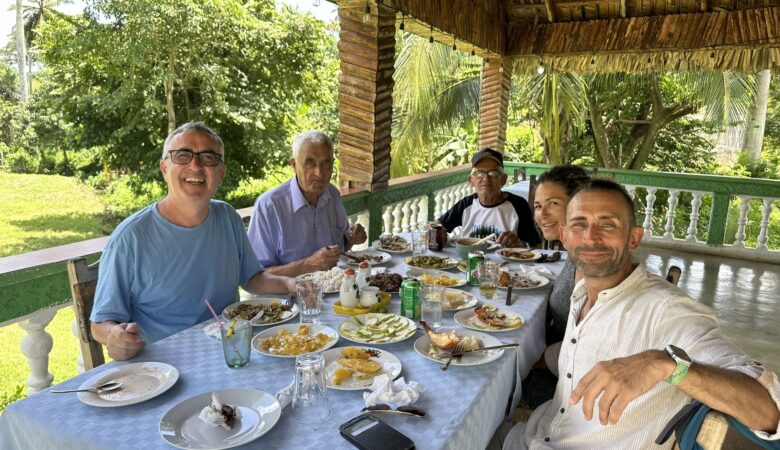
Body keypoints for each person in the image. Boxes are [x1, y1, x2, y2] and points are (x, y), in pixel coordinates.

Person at [509, 179, 780, 449]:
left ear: (634, 238)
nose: (591, 237)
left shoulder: (667, 310)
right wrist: (523, 358)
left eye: (608, 224)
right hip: (538, 433)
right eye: (579, 224)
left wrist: (669, 366)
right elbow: (577, 351)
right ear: (565, 236)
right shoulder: (582, 292)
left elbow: (769, 412)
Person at [90, 122, 297, 361]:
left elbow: (252, 278)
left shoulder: (228, 217)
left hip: (230, 353)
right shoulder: (130, 238)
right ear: (164, 168)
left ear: (221, 172)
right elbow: (100, 323)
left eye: (208, 157)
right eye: (182, 155)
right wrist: (115, 336)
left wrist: (292, 284)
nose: (195, 165)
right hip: (164, 367)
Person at [247, 131, 366, 277]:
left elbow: (340, 247)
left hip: (333, 292)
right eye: (310, 162)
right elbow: (255, 276)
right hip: (289, 297)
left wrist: (351, 239)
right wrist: (308, 265)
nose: (319, 173)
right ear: (294, 164)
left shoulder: (332, 194)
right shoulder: (270, 206)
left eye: (326, 163)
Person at [521, 165, 591, 409]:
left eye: (552, 204)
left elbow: (586, 345)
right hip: (554, 358)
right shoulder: (574, 253)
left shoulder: (590, 261)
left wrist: (530, 360)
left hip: (563, 384)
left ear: (578, 204)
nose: (542, 215)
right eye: (538, 206)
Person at [438, 148, 540, 248]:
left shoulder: (519, 205)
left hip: (507, 264)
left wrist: (519, 244)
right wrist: (441, 236)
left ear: (503, 179)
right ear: (471, 181)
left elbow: (534, 244)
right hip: (469, 262)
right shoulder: (466, 204)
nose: (486, 178)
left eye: (493, 173)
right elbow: (437, 226)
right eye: (479, 173)